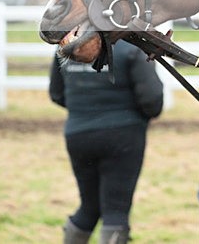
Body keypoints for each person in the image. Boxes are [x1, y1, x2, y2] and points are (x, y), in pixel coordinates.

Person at [49, 39, 164, 244]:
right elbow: (152, 101)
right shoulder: (132, 48)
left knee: (89, 207)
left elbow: (56, 94)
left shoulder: (69, 46)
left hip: (78, 134)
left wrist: (86, 111)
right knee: (116, 210)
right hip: (123, 136)